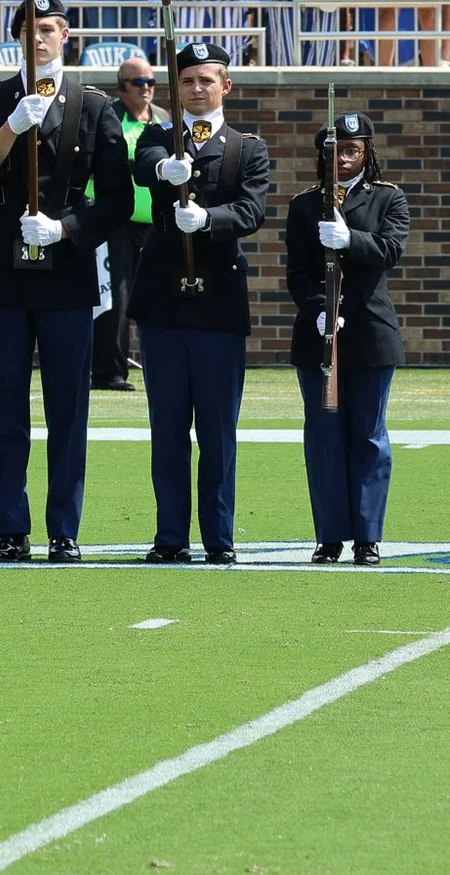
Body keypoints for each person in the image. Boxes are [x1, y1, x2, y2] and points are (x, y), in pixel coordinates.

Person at [0, 0, 130, 564]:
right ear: (17, 35)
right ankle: (10, 527)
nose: (41, 37)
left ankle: (63, 529)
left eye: (51, 27)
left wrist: (66, 228)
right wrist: (9, 128)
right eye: (30, 27)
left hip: (65, 274)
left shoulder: (94, 105)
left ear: (67, 36)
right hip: (3, 274)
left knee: (67, 408)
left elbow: (118, 201)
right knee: (7, 403)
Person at [129, 40, 273, 563]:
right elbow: (142, 164)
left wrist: (210, 220)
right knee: (167, 427)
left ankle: (219, 538)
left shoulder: (246, 147)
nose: (196, 89)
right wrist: (166, 169)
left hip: (217, 304)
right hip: (164, 301)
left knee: (216, 428)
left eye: (206, 80)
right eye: (187, 80)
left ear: (225, 85)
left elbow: (253, 209)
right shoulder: (159, 135)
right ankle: (170, 537)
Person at [285, 109, 411, 565]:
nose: (341, 160)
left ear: (367, 154)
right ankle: (330, 536)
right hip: (320, 337)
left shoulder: (388, 199)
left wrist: (348, 238)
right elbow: (298, 272)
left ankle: (367, 536)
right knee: (324, 436)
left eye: (352, 152)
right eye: (334, 152)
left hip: (370, 336)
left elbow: (389, 252)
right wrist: (318, 311)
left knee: (368, 436)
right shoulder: (304, 204)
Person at [91, 58, 161, 393]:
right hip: (115, 221)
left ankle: (161, 366)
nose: (146, 87)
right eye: (138, 82)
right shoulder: (109, 117)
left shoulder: (162, 119)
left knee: (154, 295)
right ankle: (109, 371)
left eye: (150, 81)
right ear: (122, 86)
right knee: (115, 298)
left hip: (154, 223)